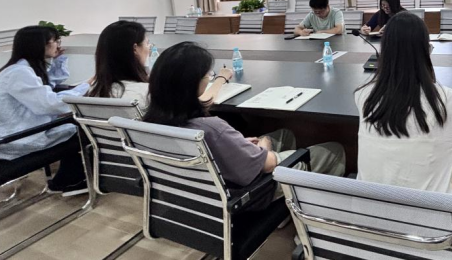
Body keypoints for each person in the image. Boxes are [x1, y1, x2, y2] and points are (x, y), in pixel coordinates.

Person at [355, 12, 452, 243]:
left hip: (369, 234)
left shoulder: (364, 96)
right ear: (426, 51)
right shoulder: (446, 102)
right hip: (431, 242)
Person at [143, 42, 345, 205]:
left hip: (199, 194)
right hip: (246, 195)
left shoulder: (152, 124)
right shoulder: (213, 128)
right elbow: (268, 164)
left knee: (285, 134)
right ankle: (313, 218)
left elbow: (217, 149)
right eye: (207, 75)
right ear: (192, 83)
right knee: (333, 150)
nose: (209, 78)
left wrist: (236, 145)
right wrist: (263, 145)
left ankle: (283, 204)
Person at [0, 26, 90, 195]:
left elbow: (46, 86)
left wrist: (57, 61)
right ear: (40, 45)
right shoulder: (19, 73)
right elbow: (50, 104)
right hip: (18, 142)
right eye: (55, 41)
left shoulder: (19, 69)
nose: (58, 44)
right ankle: (68, 181)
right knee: (85, 129)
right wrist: (86, 86)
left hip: (14, 136)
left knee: (72, 123)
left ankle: (68, 177)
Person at [87, 20, 150, 109]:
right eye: (147, 44)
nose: (149, 49)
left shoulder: (94, 91)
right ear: (135, 49)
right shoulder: (148, 93)